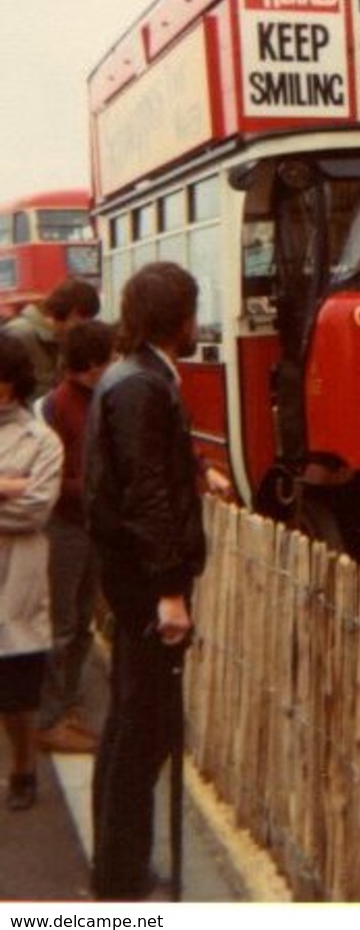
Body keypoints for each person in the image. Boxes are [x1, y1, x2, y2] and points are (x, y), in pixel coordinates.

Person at [84, 263, 208, 901]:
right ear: (179, 318)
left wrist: (195, 472)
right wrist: (169, 589)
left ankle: (116, 872)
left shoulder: (131, 376)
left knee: (131, 725)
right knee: (144, 733)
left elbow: (153, 468)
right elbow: (146, 492)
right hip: (143, 582)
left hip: (132, 575)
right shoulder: (142, 385)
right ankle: (122, 886)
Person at [36, 319, 117, 754]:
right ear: (88, 365)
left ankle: (66, 706)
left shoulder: (100, 398)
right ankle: (49, 720)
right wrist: (94, 488)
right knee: (62, 626)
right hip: (65, 527)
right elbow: (51, 478)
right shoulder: (56, 406)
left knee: (82, 622)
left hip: (91, 526)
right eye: (108, 359)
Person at [0, 333, 64, 811]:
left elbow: (36, 510)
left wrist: (19, 494)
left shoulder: (42, 440)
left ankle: (24, 766)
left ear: (12, 384)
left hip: (16, 575)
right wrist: (6, 487)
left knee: (18, 692)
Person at [3, 278, 101, 400]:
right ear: (74, 313)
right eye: (84, 320)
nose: (85, 328)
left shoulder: (60, 340)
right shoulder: (18, 334)